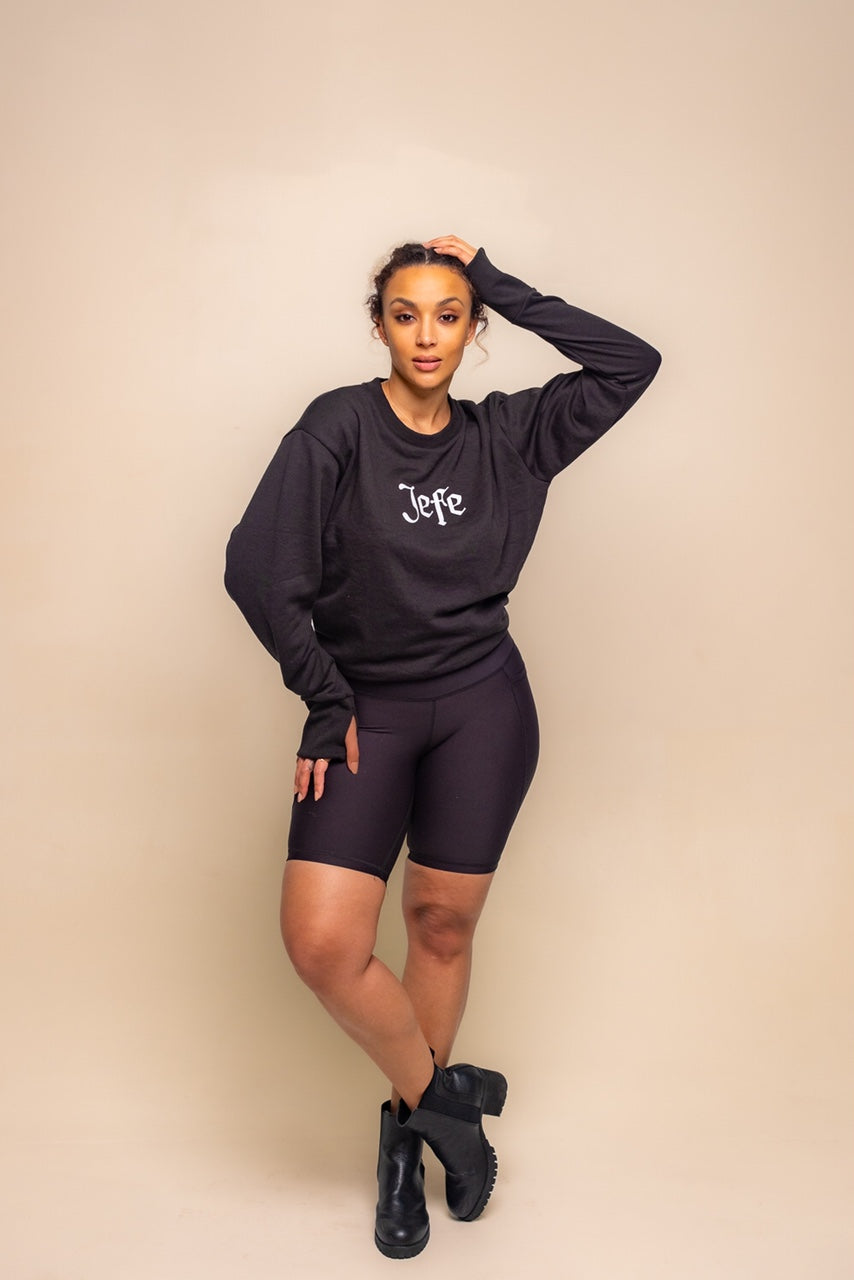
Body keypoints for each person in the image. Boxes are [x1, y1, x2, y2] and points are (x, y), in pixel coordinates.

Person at [224, 234, 660, 1258]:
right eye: (407, 313)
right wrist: (323, 696)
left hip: (481, 708)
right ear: (379, 325)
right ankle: (447, 1110)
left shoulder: (511, 435)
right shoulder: (337, 427)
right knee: (323, 943)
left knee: (440, 925)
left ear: (474, 328)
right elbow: (256, 568)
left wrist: (499, 278)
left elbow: (630, 362)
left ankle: (401, 1142)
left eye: (451, 314)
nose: (427, 334)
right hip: (365, 711)